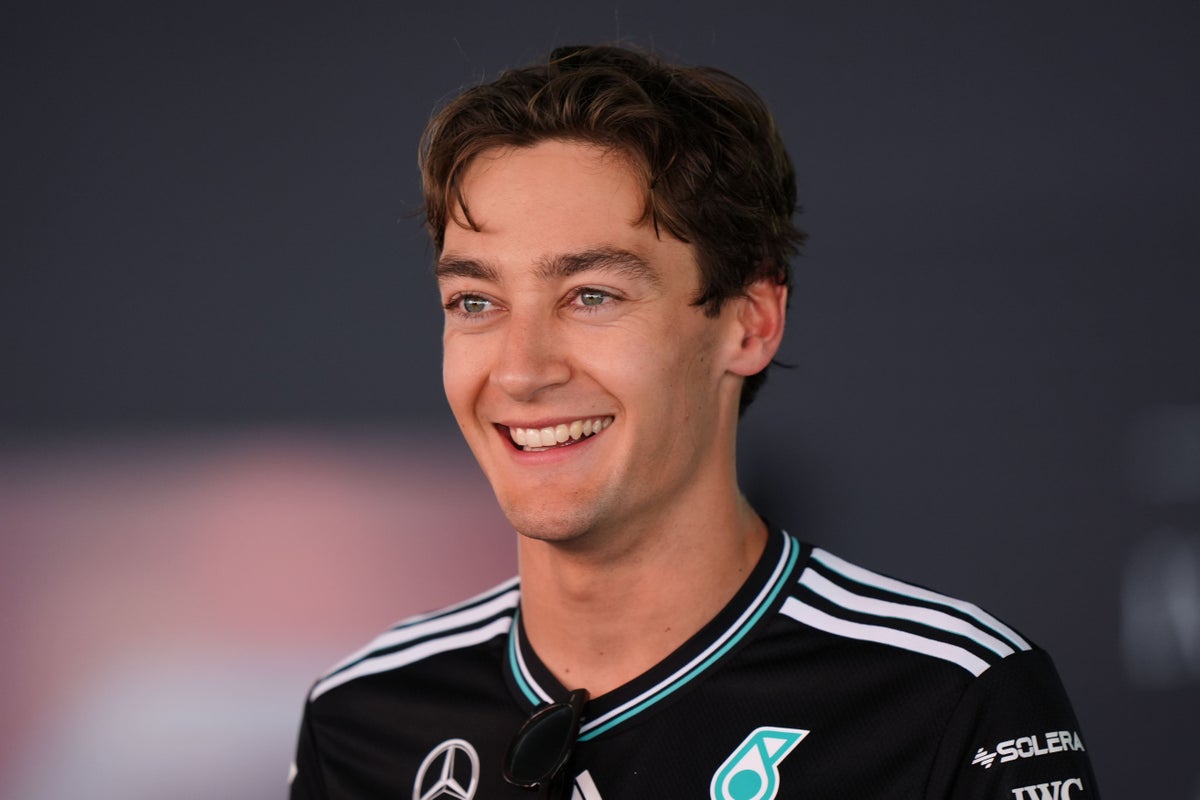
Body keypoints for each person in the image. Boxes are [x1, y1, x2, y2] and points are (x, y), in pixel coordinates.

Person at [288, 45, 1098, 799]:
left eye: (591, 296)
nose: (521, 371)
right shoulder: (360, 716)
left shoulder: (951, 697)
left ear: (750, 323)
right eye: (474, 301)